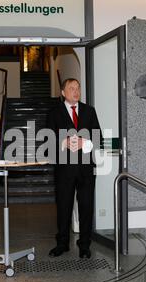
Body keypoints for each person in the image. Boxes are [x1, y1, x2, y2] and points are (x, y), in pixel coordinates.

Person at [47, 78, 101, 259]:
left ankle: (84, 245)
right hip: (64, 170)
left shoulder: (89, 111)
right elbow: (47, 141)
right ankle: (62, 244)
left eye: (78, 88)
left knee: (86, 207)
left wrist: (85, 143)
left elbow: (98, 137)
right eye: (71, 88)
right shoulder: (54, 113)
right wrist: (64, 142)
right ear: (63, 93)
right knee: (63, 207)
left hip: (86, 169)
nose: (76, 91)